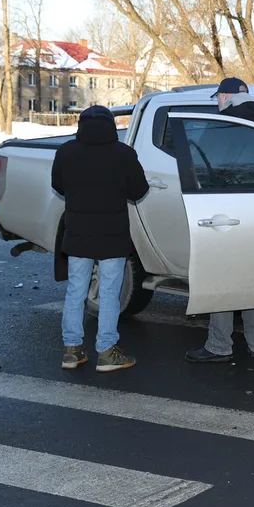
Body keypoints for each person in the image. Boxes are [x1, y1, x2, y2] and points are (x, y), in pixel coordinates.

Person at [184, 78, 254, 363]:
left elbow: (202, 166)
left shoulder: (222, 125)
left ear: (225, 96)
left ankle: (219, 345)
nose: (217, 103)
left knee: (222, 278)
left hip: (228, 210)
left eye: (218, 98)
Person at [51, 105, 150, 371]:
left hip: (78, 234)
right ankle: (107, 352)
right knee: (108, 292)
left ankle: (71, 351)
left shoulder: (66, 152)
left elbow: (57, 185)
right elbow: (139, 190)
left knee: (75, 291)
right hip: (112, 236)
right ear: (111, 125)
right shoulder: (124, 154)